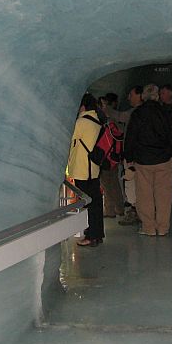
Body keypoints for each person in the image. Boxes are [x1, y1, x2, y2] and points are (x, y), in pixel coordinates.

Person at [124, 84, 172, 236]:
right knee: (164, 195)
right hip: (163, 160)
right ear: (157, 96)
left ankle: (149, 227)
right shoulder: (164, 112)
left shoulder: (137, 114)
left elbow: (131, 137)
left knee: (145, 195)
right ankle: (163, 228)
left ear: (143, 96)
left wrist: (129, 156)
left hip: (143, 161)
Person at [66, 93, 104, 246]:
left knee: (89, 204)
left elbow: (69, 138)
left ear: (83, 106)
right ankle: (97, 235)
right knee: (95, 203)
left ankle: (91, 236)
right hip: (93, 168)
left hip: (82, 168)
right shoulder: (97, 120)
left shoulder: (82, 122)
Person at [117, 86, 144, 226]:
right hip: (142, 154)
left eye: (131, 95)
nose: (129, 98)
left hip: (132, 154)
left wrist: (106, 109)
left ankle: (134, 211)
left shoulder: (134, 113)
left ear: (140, 96)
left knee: (130, 183)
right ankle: (142, 212)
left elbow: (120, 117)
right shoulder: (145, 112)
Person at [97, 96, 126, 219]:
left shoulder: (103, 123)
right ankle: (120, 207)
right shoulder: (114, 122)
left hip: (105, 157)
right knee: (114, 183)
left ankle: (109, 210)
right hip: (114, 156)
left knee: (106, 184)